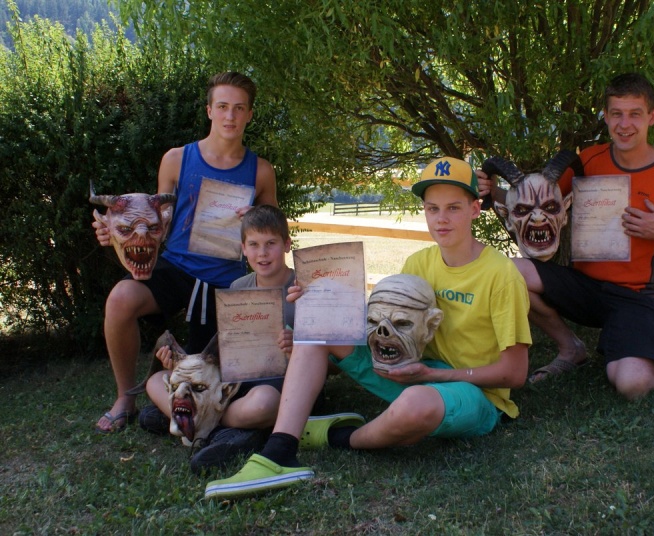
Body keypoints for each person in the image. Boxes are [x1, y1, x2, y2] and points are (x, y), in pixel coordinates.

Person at [203, 156, 532, 500]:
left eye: (453, 208)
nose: (442, 219)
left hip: (474, 393)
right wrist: (321, 300)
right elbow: (385, 328)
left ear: (475, 210)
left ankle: (338, 437)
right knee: (318, 325)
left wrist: (432, 375)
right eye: (433, 208)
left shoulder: (501, 274)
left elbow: (514, 373)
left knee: (414, 404)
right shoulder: (418, 263)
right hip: (411, 372)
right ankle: (279, 451)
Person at [478, 73, 654, 400]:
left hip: (638, 297)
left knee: (632, 385)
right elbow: (539, 207)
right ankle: (570, 348)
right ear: (605, 116)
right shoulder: (588, 160)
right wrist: (492, 192)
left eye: (635, 114)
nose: (624, 124)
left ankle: (651, 332)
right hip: (585, 286)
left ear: (652, 116)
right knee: (509, 271)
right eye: (616, 113)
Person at [94, 72, 278, 432]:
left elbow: (273, 229)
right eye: (222, 106)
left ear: (249, 114)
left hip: (227, 281)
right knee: (119, 300)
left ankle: (188, 411)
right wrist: (115, 233)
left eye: (239, 108)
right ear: (209, 110)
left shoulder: (260, 171)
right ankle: (125, 399)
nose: (230, 116)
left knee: (208, 367)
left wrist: (255, 217)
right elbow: (154, 221)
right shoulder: (176, 159)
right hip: (176, 267)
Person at [142, 205, 314, 473]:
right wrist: (175, 363)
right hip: (234, 384)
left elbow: (326, 363)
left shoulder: (303, 289)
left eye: (271, 243)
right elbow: (225, 352)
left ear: (286, 244)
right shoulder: (237, 288)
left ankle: (195, 422)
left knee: (265, 403)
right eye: (253, 244)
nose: (262, 253)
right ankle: (224, 428)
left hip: (278, 386)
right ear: (243, 248)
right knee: (155, 381)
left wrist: (297, 347)